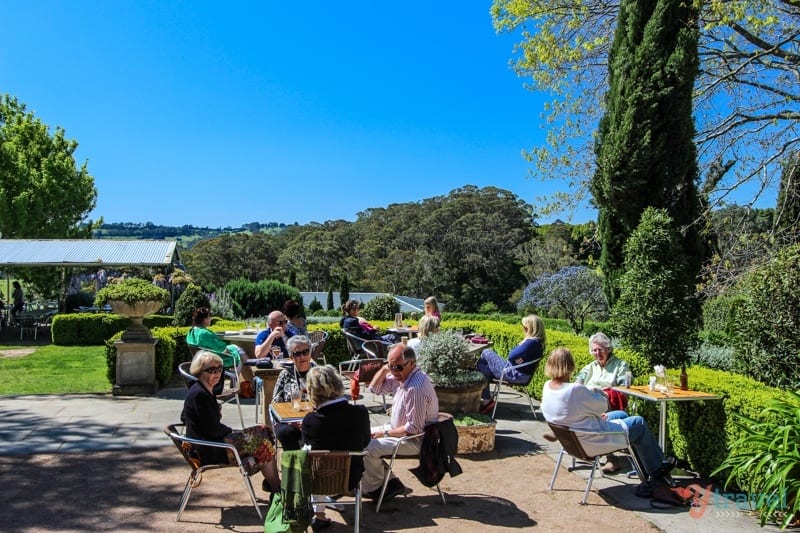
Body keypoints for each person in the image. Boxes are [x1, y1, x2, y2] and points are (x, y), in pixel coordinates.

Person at [540, 347, 673, 485]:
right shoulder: (574, 389)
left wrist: (593, 412)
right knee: (638, 423)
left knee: (621, 414)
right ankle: (656, 469)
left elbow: (576, 410)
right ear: (571, 366)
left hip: (574, 437)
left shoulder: (547, 386)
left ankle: (643, 466)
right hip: (592, 440)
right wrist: (600, 393)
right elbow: (602, 406)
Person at [180, 350, 280, 495]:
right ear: (200, 371)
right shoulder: (200, 395)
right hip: (210, 449)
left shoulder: (203, 390)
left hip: (212, 443)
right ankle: (276, 487)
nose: (217, 374)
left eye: (220, 369)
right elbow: (213, 429)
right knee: (263, 443)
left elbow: (185, 417)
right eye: (212, 370)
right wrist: (232, 432)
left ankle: (271, 482)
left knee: (264, 431)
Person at [362, 344, 439, 501]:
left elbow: (414, 429)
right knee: (359, 435)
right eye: (391, 367)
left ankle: (378, 488)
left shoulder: (415, 388)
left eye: (398, 367)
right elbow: (374, 390)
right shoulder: (402, 376)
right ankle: (390, 482)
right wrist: (385, 369)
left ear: (411, 363)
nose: (394, 372)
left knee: (367, 447)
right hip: (397, 430)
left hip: (416, 440)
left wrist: (384, 434)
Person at [301, 365, 371, 531]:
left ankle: (318, 514)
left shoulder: (311, 421)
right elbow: (366, 442)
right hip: (352, 477)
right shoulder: (360, 413)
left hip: (319, 480)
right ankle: (320, 513)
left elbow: (306, 447)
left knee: (311, 457)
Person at [574, 332, 632, 473]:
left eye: (601, 349)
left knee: (595, 410)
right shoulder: (589, 367)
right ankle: (567, 432)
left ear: (608, 349)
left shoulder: (620, 365)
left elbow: (625, 390)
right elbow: (577, 383)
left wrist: (604, 393)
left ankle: (611, 458)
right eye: (594, 350)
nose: (597, 353)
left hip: (609, 403)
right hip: (588, 403)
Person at [476, 314, 545, 414]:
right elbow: (515, 357)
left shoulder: (531, 342)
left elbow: (511, 355)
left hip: (515, 374)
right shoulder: (539, 343)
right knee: (483, 367)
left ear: (530, 328)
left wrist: (516, 356)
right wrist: (517, 359)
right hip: (519, 373)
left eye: (525, 327)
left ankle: (485, 398)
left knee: (486, 352)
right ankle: (486, 401)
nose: (523, 329)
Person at [186, 307, 254, 394]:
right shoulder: (204, 333)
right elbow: (222, 349)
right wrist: (232, 351)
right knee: (238, 355)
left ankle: (248, 381)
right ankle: (245, 382)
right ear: (205, 319)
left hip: (201, 360)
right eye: (209, 317)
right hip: (213, 360)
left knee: (237, 349)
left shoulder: (191, 332)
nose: (210, 319)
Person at [271, 335, 316, 450]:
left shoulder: (320, 373)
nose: (302, 356)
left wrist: (307, 422)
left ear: (310, 353)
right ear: (291, 357)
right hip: (289, 421)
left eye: (305, 352)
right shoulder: (285, 374)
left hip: (315, 419)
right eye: (297, 354)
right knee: (285, 432)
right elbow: (275, 403)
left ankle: (317, 463)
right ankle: (296, 464)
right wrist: (290, 421)